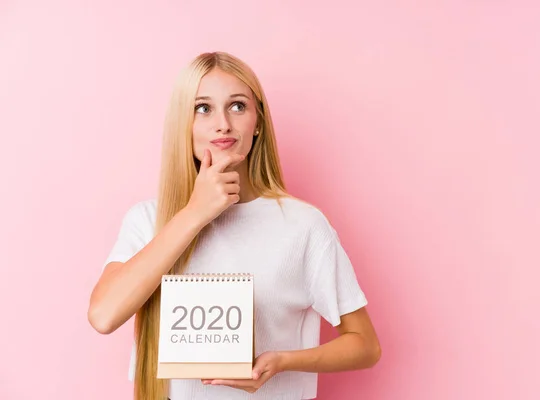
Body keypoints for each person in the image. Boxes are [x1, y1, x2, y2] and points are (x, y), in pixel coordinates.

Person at [87, 51, 381, 400]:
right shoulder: (147, 220)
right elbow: (104, 316)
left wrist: (283, 361)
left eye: (238, 106)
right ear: (185, 123)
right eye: (203, 108)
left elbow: (365, 344)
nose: (222, 124)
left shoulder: (303, 226)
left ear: (258, 122)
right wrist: (195, 212)